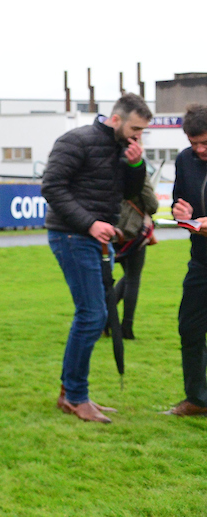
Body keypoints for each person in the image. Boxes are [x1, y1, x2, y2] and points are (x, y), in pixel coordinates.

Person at [41, 93, 150, 423]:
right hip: (73, 235)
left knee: (93, 314)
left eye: (143, 131)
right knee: (91, 315)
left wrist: (135, 163)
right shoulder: (77, 140)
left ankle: (70, 393)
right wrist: (90, 223)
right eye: (135, 129)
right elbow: (52, 186)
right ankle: (75, 396)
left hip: (98, 238)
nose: (137, 136)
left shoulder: (121, 147)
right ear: (116, 119)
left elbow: (130, 193)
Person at [166, 104, 207, 417]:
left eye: (205, 142)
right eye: (194, 143)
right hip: (201, 261)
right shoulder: (185, 160)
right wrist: (181, 214)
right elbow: (180, 205)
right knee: (189, 327)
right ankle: (197, 398)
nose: (199, 149)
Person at [111, 170, 158, 340]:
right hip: (132, 229)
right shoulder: (137, 170)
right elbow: (152, 205)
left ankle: (107, 320)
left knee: (127, 276)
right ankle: (126, 327)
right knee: (133, 278)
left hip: (111, 227)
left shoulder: (106, 165)